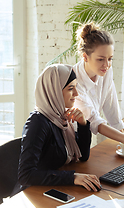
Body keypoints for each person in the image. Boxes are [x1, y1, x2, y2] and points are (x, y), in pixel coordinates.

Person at [17, 64, 101, 193]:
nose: (76, 94)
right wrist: (72, 177)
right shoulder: (38, 123)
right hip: (37, 192)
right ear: (54, 90)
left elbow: (83, 156)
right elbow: (26, 175)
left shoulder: (61, 118)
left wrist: (83, 124)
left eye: (76, 87)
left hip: (56, 186)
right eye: (70, 88)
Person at [73, 22, 124, 146]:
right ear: (85, 57)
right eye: (101, 59)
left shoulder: (105, 72)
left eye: (110, 58)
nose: (106, 65)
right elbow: (95, 121)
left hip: (84, 142)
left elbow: (111, 108)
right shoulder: (73, 81)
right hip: (68, 143)